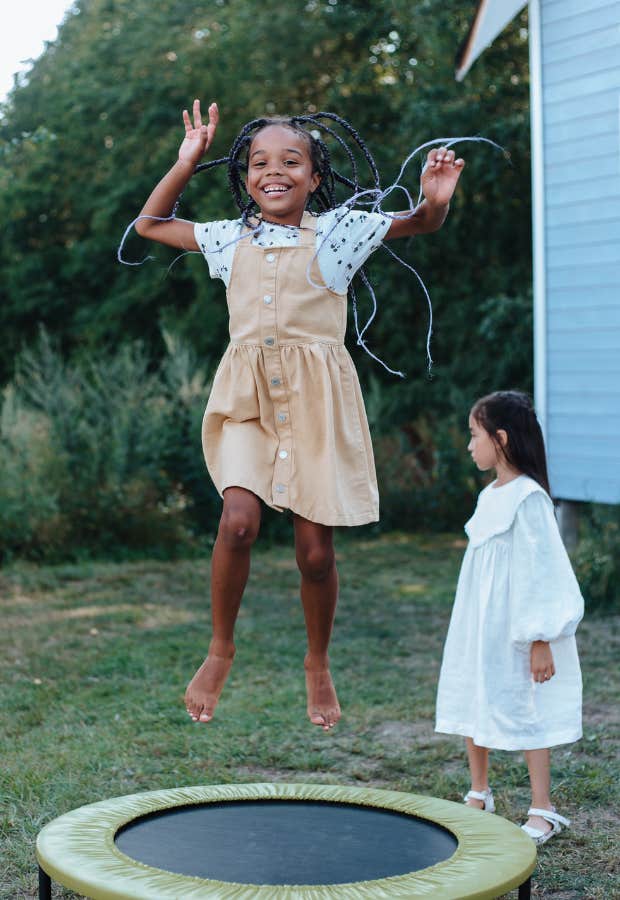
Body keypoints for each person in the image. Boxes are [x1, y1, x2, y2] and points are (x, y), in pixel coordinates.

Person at [132, 99, 465, 730]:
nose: (273, 171)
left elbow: (421, 221)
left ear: (314, 177)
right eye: (259, 162)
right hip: (247, 403)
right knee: (237, 521)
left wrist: (437, 197)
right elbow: (150, 224)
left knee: (315, 555)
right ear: (245, 175)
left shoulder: (341, 231)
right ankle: (220, 649)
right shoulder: (227, 239)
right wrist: (184, 162)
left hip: (317, 407)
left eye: (291, 161)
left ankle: (318, 663)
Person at [435, 390, 583, 844]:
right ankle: (479, 791)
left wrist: (540, 637)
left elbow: (543, 570)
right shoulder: (488, 497)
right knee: (473, 692)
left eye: (474, 435)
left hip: (518, 626)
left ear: (500, 438)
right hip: (480, 624)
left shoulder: (529, 498)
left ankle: (543, 807)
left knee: (526, 704)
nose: (469, 445)